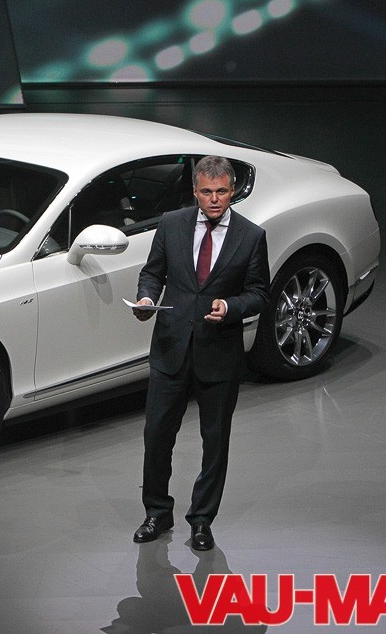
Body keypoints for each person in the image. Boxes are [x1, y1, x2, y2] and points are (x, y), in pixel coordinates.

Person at [132, 155, 269, 550]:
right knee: (157, 436)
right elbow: (153, 272)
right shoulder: (171, 224)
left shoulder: (251, 236)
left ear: (232, 191)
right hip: (171, 348)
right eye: (207, 192)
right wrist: (146, 298)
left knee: (215, 442)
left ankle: (202, 520)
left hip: (219, 355)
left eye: (222, 191)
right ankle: (157, 512)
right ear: (195, 191)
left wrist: (231, 307)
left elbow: (260, 293)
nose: (214, 199)